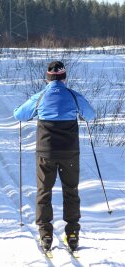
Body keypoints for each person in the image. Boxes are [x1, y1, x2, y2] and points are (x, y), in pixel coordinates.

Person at [13, 61, 96, 252]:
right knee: (71, 191)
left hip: (46, 153)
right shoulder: (73, 96)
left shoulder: (40, 97)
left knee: (44, 192)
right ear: (64, 77)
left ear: (48, 77)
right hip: (70, 153)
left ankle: (46, 235)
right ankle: (73, 234)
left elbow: (19, 114)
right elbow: (90, 115)